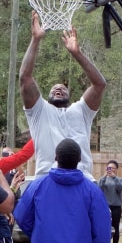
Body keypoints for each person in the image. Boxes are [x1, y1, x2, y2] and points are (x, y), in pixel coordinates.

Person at [19, 11, 107, 180]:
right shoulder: (39, 111)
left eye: (63, 89)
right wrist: (35, 39)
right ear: (47, 95)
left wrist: (77, 54)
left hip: (82, 178)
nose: (58, 89)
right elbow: (25, 78)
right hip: (48, 178)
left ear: (70, 95)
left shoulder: (81, 110)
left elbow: (99, 85)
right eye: (54, 89)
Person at [98, 160, 122, 243]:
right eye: (109, 168)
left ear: (116, 169)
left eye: (113, 168)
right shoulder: (103, 179)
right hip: (105, 207)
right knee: (104, 227)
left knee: (115, 227)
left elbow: (121, 187)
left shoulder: (119, 179)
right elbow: (99, 188)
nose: (111, 170)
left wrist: (114, 178)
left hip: (116, 206)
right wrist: (104, 177)